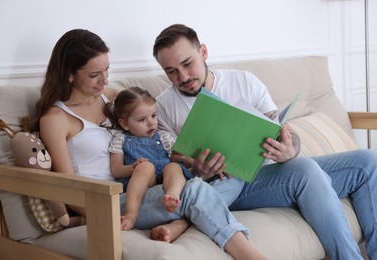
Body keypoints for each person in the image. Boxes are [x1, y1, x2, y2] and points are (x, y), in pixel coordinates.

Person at [34, 28, 268, 260]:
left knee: (211, 176)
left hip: (143, 186)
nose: (105, 80)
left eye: (107, 70)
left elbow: (147, 121)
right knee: (195, 191)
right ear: (70, 74)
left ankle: (183, 224)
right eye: (95, 75)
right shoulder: (56, 119)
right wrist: (99, 214)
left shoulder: (111, 96)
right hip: (107, 200)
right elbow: (67, 187)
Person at [152, 23, 377, 260]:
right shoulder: (164, 107)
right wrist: (195, 166)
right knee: (305, 169)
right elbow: (172, 160)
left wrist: (290, 148)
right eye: (171, 71)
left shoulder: (244, 82)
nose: (183, 77)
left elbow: (281, 128)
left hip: (269, 172)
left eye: (187, 64)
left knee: (369, 161)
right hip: (227, 184)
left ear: (204, 52)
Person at [105, 86, 192, 230]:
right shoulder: (120, 139)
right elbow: (116, 170)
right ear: (124, 124)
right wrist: (132, 168)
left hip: (164, 180)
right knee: (146, 166)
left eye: (154, 115)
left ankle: (172, 195)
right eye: (142, 120)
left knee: (173, 167)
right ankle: (131, 214)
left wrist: (188, 160)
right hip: (140, 182)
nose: (151, 123)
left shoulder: (163, 137)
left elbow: (176, 157)